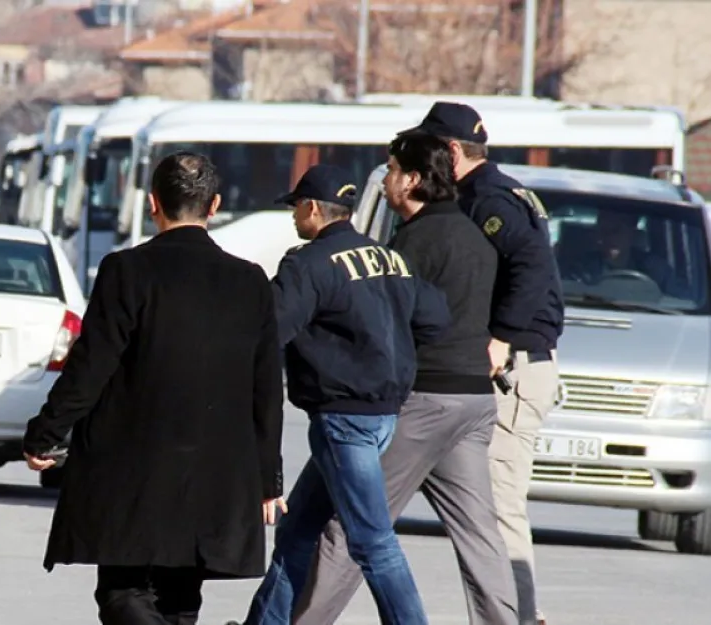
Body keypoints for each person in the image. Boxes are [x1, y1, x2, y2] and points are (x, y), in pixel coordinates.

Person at [22, 151, 286, 625]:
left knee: (124, 593)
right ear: (215, 204)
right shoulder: (250, 282)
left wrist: (46, 432)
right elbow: (265, 391)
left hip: (133, 470)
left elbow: (91, 365)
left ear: (152, 204)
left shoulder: (127, 271)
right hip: (216, 473)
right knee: (181, 600)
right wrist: (268, 481)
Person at [291, 135, 518, 625]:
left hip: (424, 401)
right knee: (480, 534)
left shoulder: (413, 241)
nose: (387, 178)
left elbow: (394, 316)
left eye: (392, 169)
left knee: (355, 526)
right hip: (475, 402)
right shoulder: (475, 234)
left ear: (412, 179)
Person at [233, 164, 451, 625]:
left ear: (312, 208)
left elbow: (265, 332)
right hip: (383, 414)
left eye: (296, 207)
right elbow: (435, 319)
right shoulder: (391, 258)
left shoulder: (308, 263)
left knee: (373, 542)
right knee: (298, 531)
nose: (293, 217)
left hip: (344, 418)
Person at [401, 101, 564, 625]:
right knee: (483, 509)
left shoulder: (489, 198)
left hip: (512, 364)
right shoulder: (482, 193)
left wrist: (500, 339)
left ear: (451, 151)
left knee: (498, 504)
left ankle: (521, 616)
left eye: (431, 147)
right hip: (497, 365)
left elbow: (533, 264)